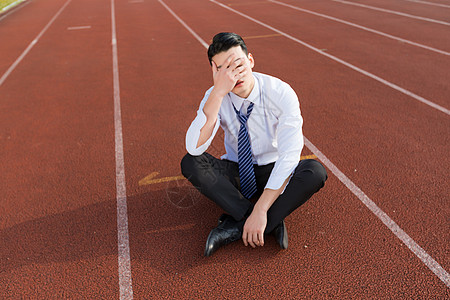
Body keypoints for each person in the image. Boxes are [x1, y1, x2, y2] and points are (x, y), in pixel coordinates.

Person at [181, 32, 327, 257]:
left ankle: (235, 226)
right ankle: (271, 222)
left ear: (250, 60)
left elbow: (289, 155)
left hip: (274, 171)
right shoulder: (214, 96)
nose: (234, 74)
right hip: (237, 171)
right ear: (215, 71)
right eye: (224, 68)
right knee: (191, 162)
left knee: (314, 172)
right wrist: (219, 92)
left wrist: (261, 209)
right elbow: (194, 147)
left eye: (238, 64)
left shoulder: (280, 92)